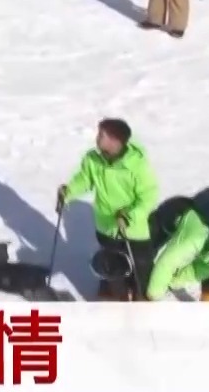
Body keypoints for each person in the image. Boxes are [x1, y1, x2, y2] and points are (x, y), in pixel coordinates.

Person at [57, 118, 159, 301]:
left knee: (140, 267)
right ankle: (118, 297)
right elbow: (85, 179)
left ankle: (140, 297)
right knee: (112, 265)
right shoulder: (93, 159)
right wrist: (69, 191)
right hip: (105, 225)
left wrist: (129, 215)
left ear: (115, 140)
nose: (97, 138)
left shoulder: (137, 165)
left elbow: (148, 196)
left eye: (101, 135)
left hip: (133, 229)